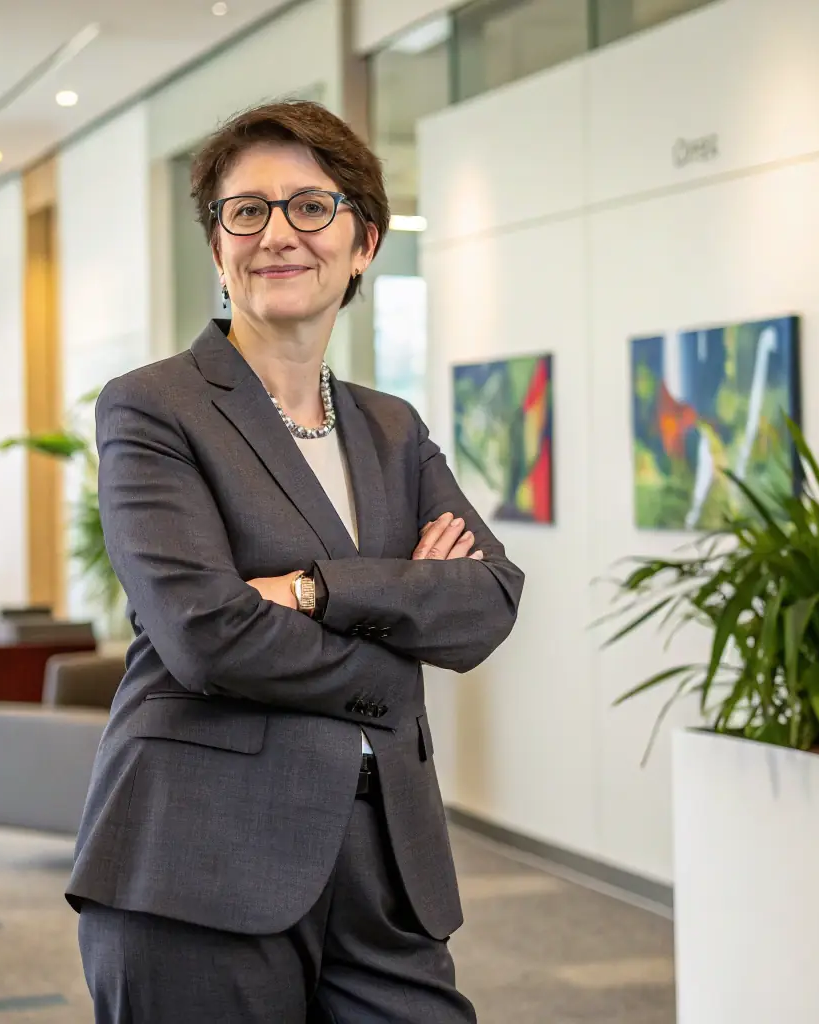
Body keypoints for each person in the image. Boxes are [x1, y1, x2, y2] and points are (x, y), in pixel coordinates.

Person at [66, 99, 524, 1023]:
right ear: (217, 247)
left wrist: (317, 590)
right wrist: (398, 638)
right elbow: (207, 635)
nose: (279, 233)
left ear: (364, 243)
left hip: (385, 858)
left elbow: (487, 599)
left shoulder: (391, 426)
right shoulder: (154, 409)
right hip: (200, 856)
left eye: (311, 206)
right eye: (247, 210)